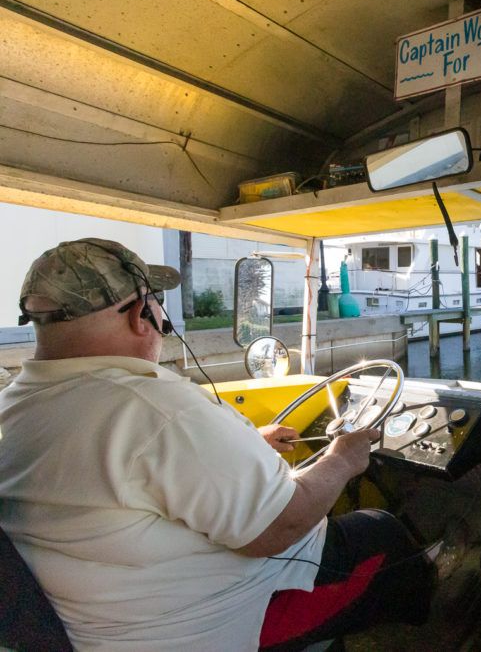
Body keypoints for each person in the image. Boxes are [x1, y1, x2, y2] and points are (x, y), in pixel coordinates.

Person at [0, 238, 433, 651]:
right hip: (201, 625)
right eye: (156, 300)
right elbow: (277, 530)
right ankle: (444, 619)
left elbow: (126, 473)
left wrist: (249, 441)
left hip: (98, 624)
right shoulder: (151, 406)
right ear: (140, 315)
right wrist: (342, 459)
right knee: (381, 531)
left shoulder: (16, 405)